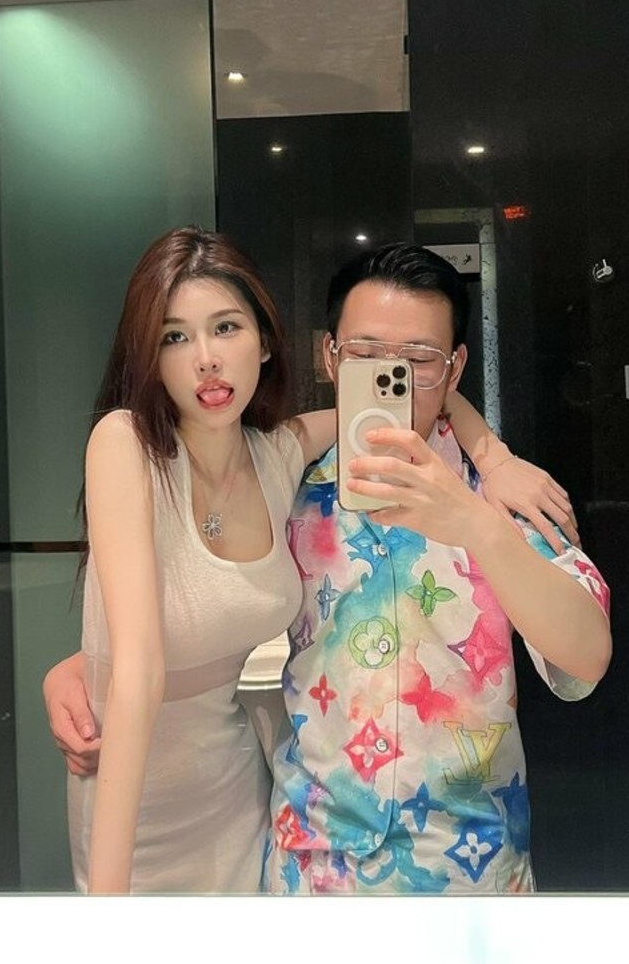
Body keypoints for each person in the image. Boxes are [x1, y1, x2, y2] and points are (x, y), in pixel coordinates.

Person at [56, 228, 571, 895]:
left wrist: (493, 458)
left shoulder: (279, 454)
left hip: (239, 791)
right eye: (174, 336)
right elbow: (139, 669)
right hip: (137, 793)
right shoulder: (125, 444)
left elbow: (410, 392)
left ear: (265, 341)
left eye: (226, 327)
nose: (206, 360)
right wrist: (104, 911)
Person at [264, 243, 611, 894]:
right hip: (314, 868)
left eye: (418, 360)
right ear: (330, 356)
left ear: (455, 369)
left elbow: (586, 655)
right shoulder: (289, 489)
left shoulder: (503, 494)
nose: (389, 374)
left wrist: (476, 524)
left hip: (469, 871)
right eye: (365, 354)